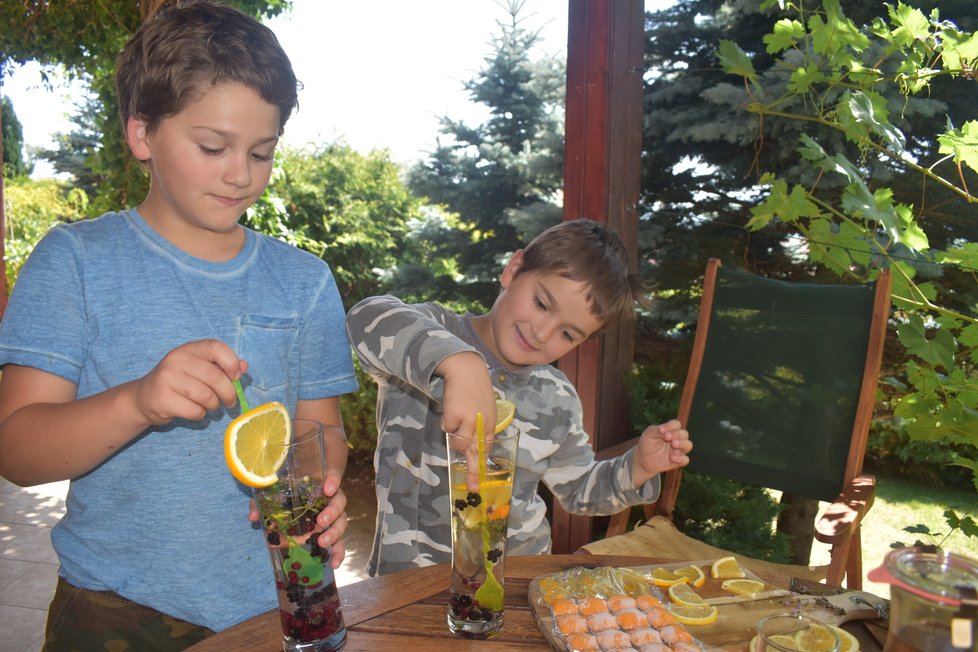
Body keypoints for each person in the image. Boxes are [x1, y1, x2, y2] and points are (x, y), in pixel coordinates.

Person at [0, 2, 357, 648]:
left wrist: (323, 490)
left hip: (277, 607)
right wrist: (138, 401)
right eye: (213, 147)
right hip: (115, 611)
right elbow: (17, 449)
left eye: (262, 152)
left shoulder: (305, 282)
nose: (242, 174)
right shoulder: (77, 263)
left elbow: (322, 429)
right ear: (142, 134)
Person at [346, 218, 692, 577]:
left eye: (568, 333)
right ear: (513, 270)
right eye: (542, 304)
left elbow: (578, 490)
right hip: (407, 579)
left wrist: (638, 467)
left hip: (515, 581)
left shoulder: (557, 397)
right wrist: (458, 363)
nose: (542, 333)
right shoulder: (434, 331)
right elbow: (366, 316)